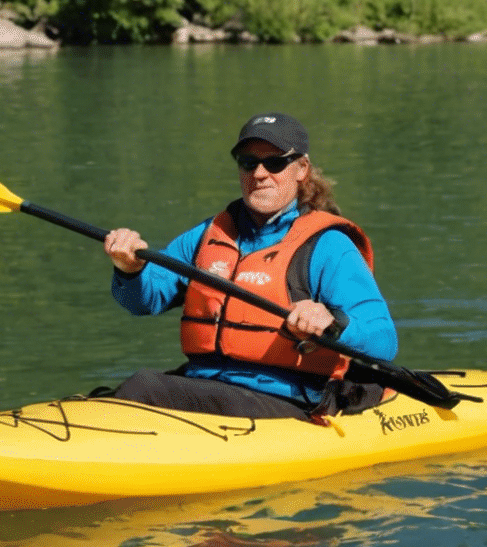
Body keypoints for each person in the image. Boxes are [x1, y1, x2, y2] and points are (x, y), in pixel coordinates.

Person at [100, 112, 398, 420]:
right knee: (143, 385)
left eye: (275, 163)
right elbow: (142, 301)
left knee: (145, 386)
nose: (259, 173)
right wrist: (129, 270)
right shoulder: (208, 235)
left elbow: (383, 340)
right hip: (207, 386)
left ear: (301, 169)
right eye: (248, 163)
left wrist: (332, 321)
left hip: (286, 398)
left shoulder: (329, 247)